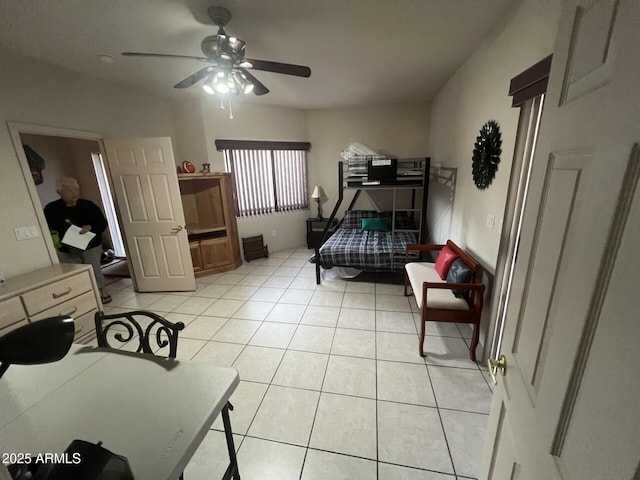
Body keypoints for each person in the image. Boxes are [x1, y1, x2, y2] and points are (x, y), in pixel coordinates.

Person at [44, 178, 111, 304]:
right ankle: (83, 295)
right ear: (60, 192)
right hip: (66, 246)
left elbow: (102, 223)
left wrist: (90, 227)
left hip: (90, 244)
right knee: (74, 271)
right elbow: (47, 226)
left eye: (76, 189)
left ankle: (102, 290)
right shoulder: (51, 209)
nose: (75, 192)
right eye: (70, 190)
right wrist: (52, 232)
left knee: (94, 268)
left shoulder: (88, 205)